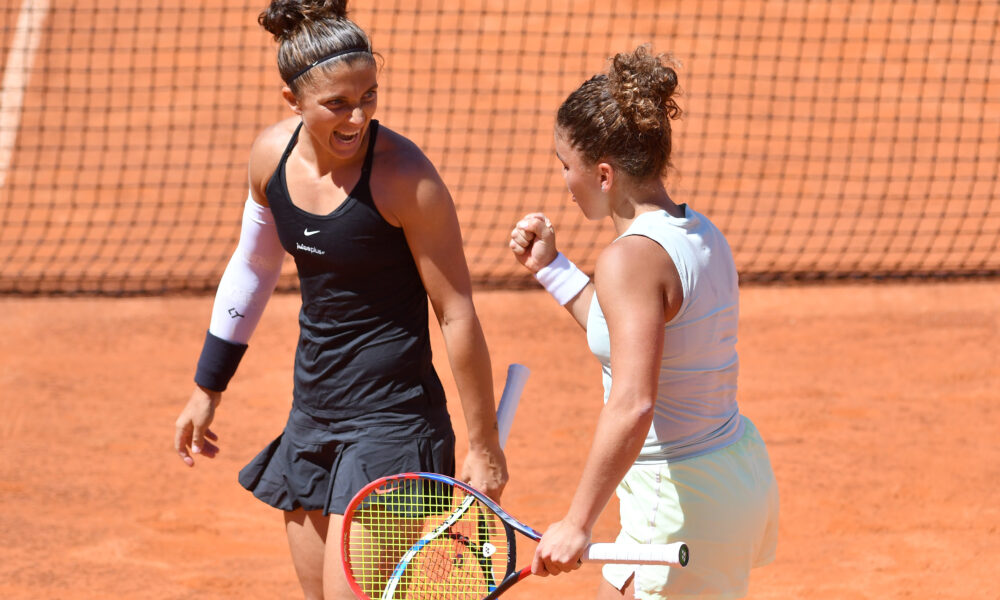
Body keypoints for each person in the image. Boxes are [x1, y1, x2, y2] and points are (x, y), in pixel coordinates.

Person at [172, 1, 508, 598]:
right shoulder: (270, 159)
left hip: (393, 422)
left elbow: (456, 313)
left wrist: (484, 448)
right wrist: (207, 389)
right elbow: (252, 268)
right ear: (292, 100)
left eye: (369, 97)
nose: (357, 117)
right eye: (338, 104)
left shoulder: (407, 178)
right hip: (313, 416)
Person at [509, 45, 779, 599]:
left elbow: (633, 400)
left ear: (604, 174)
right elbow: (625, 337)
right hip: (728, 475)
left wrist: (578, 521)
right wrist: (553, 269)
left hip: (677, 499)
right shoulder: (699, 233)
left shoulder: (628, 259)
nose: (564, 178)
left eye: (566, 165)